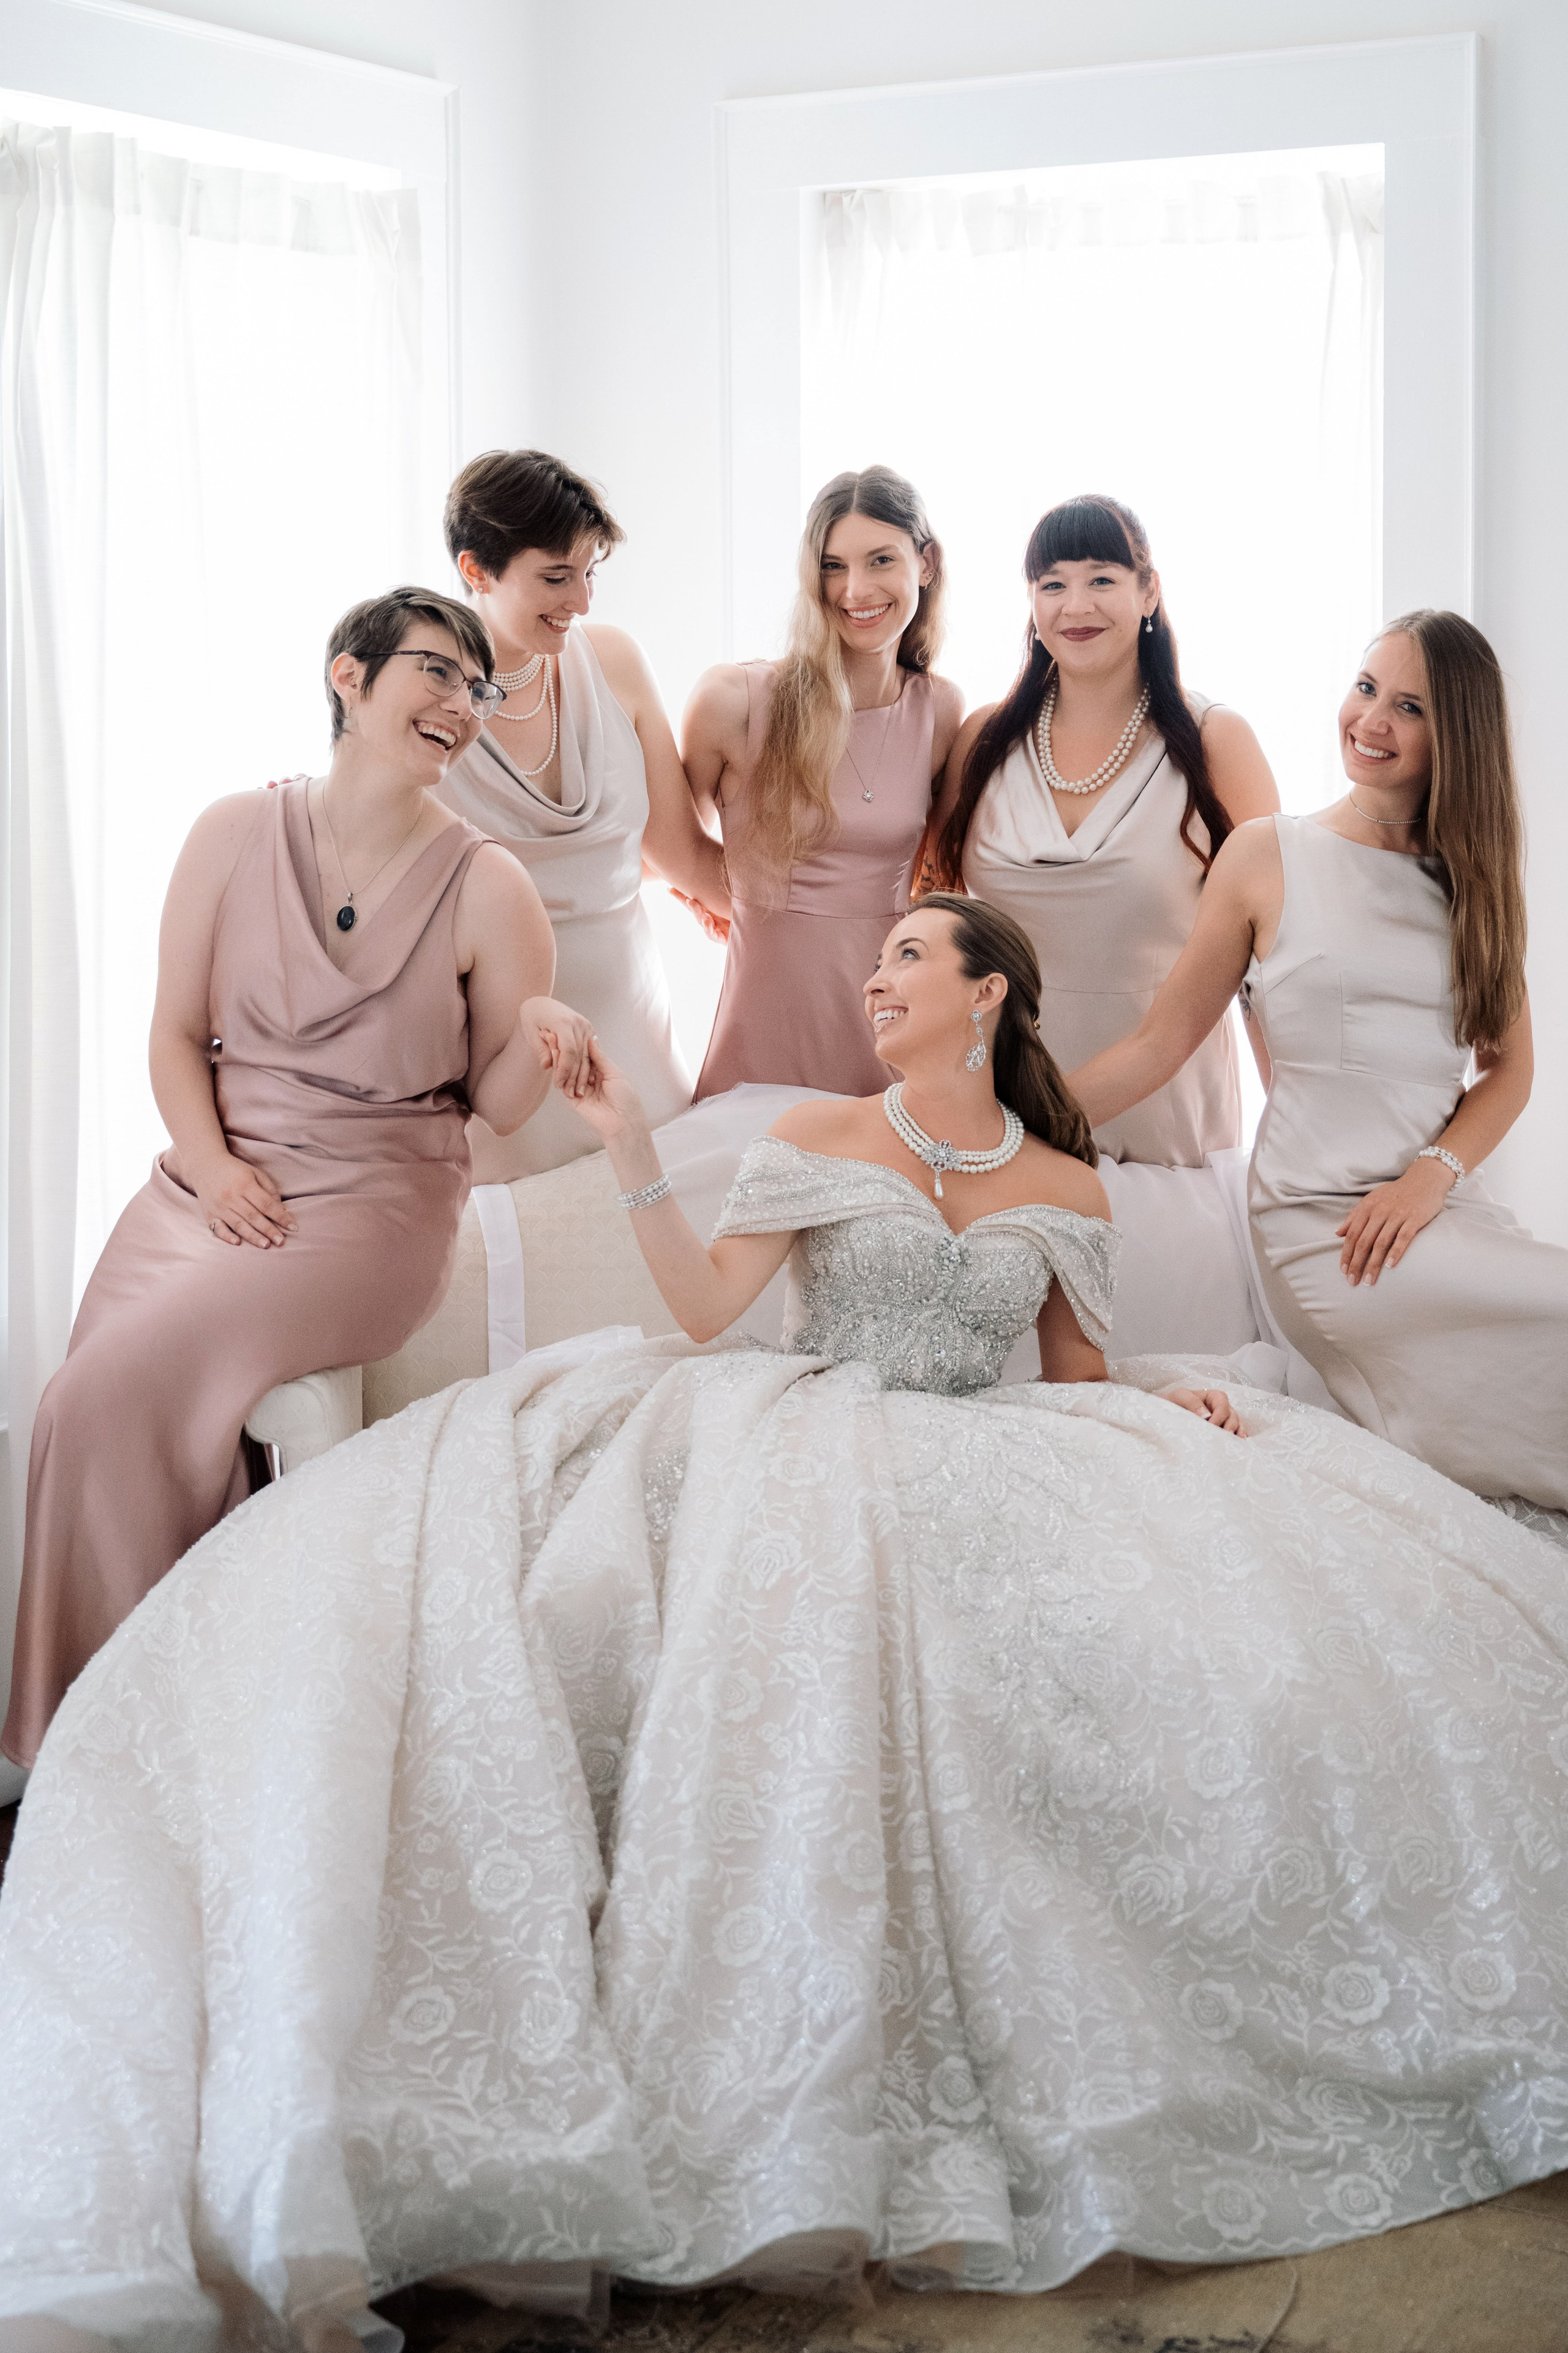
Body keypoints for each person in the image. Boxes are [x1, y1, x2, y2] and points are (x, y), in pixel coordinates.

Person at [5, 897, 1568, 2347]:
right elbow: (701, 1311)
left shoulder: (1063, 1181)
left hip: (1004, 1451)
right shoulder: (820, 1131)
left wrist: (1181, 1389)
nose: (876, 977)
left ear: (986, 994)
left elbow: (1074, 1378)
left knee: (1173, 1665)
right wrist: (626, 1131)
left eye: (908, 955)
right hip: (806, 1440)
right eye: (875, 957)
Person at [0, 586, 595, 1772]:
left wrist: (540, 1038)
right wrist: (213, 1168)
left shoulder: (491, 887)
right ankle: (161, 1714)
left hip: (371, 1208)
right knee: (86, 1398)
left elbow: (491, 1107)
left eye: (475, 689)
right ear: (347, 674)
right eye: (433, 672)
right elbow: (172, 1037)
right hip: (208, 1180)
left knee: (92, 1395)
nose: (457, 706)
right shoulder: (231, 832)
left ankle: (96, 1736)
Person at [1068, 611, 1568, 1512]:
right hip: (1324, 1227)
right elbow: (1160, 1043)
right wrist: (1012, 1111)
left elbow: (1510, 1070)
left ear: (1454, 735)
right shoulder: (1269, 854)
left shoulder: (1474, 884)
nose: (1370, 720)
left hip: (1431, 1205)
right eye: (1367, 687)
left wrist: (1430, 1177)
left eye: (1408, 707)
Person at [929, 493, 1278, 1169]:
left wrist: (1298, 1126)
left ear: (1148, 592)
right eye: (1051, 583)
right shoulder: (983, 739)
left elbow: (1270, 961)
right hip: (999, 1099)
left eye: (1101, 579)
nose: (1075, 605)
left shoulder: (1216, 742)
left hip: (1167, 1111)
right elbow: (933, 911)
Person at [438, 448, 726, 1175]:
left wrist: (823, 916)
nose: (584, 601)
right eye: (556, 577)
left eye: (591, 572)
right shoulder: (424, 696)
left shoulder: (615, 661)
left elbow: (685, 856)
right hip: (506, 1057)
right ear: (476, 570)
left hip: (636, 1036)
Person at [683, 465, 964, 1098]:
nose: (854, 589)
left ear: (925, 562)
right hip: (764, 1031)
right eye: (832, 566)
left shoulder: (941, 710)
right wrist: (724, 895)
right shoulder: (738, 700)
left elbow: (939, 882)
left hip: (888, 1029)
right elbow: (655, 845)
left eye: (879, 560)